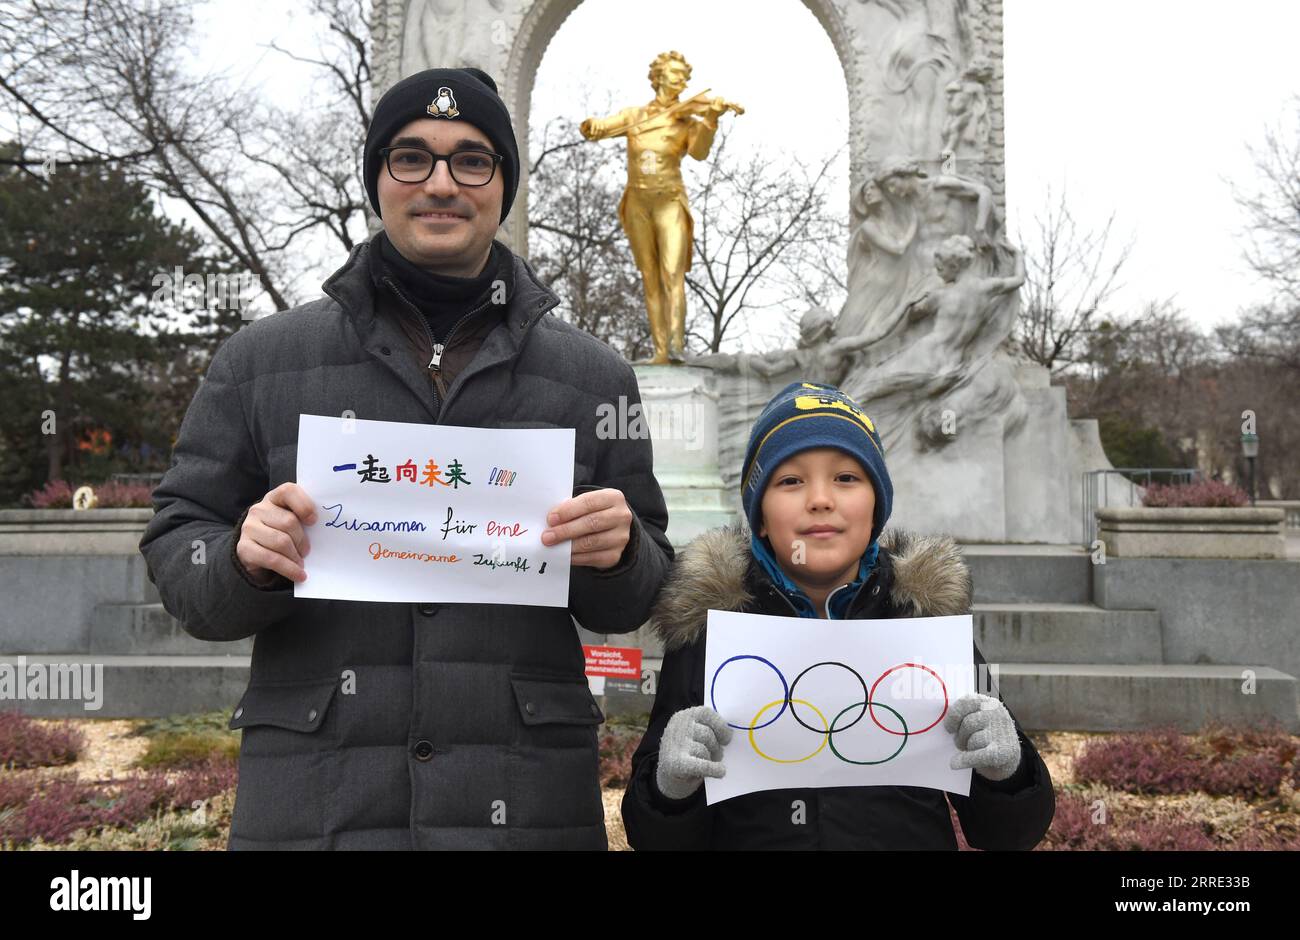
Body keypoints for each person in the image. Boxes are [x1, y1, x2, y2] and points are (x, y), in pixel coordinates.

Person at [138, 66, 674, 850]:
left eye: (473, 159)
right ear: (378, 178)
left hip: (524, 806)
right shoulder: (260, 361)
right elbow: (177, 547)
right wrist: (240, 559)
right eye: (412, 157)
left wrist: (621, 553)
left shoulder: (594, 378)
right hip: (319, 802)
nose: (442, 184)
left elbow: (644, 588)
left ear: (503, 185)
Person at [621, 382, 1055, 850]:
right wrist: (670, 789)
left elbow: (1007, 834)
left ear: (876, 509)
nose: (820, 499)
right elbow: (655, 839)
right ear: (760, 516)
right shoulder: (707, 632)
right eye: (790, 481)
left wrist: (1007, 774)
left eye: (846, 478)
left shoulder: (926, 625)